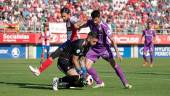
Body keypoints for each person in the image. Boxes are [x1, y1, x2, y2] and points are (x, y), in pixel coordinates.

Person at [77, 10, 132, 88]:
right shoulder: (91, 22)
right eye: (93, 20)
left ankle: (126, 83)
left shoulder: (104, 26)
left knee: (114, 65)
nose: (94, 22)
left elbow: (112, 40)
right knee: (87, 66)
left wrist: (117, 52)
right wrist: (79, 27)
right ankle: (100, 82)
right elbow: (85, 24)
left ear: (99, 18)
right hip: (94, 49)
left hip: (104, 49)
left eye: (96, 20)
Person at [29, 32, 99, 91]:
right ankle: (57, 81)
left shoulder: (87, 46)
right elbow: (75, 60)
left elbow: (82, 59)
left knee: (81, 84)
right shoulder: (79, 45)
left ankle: (66, 84)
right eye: (94, 41)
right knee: (77, 77)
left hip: (70, 62)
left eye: (96, 42)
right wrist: (81, 72)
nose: (95, 43)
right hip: (63, 61)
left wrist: (84, 72)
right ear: (89, 38)